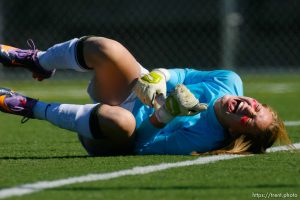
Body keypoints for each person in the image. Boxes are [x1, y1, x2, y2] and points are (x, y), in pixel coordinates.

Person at [0, 36, 292, 156]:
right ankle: (38, 61)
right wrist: (159, 77)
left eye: (248, 119)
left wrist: (164, 116)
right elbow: (181, 74)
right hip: (133, 92)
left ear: (234, 132)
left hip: (110, 134)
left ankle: (28, 106)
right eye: (256, 107)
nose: (247, 108)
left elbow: (139, 144)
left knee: (121, 121)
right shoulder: (229, 81)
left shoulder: (205, 138)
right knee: (106, 48)